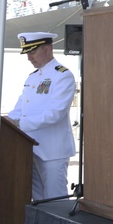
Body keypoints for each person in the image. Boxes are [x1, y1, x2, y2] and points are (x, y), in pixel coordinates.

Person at [8, 31, 76, 201]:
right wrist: (6, 122)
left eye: (33, 52)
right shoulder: (32, 78)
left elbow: (56, 113)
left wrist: (19, 124)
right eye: (27, 53)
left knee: (56, 201)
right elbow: (21, 108)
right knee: (37, 203)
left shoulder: (62, 75)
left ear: (47, 49)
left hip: (52, 151)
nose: (29, 58)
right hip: (31, 148)